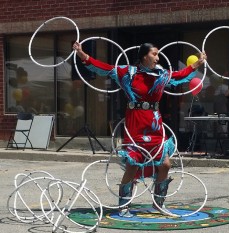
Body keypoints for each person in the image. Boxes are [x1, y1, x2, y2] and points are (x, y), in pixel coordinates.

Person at [73, 41, 207, 217]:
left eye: (158, 54)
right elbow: (103, 68)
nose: (157, 57)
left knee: (165, 163)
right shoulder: (128, 73)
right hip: (135, 122)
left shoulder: (161, 74)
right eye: (154, 54)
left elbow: (180, 75)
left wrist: (198, 63)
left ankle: (158, 204)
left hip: (154, 122)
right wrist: (82, 54)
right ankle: (124, 205)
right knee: (133, 164)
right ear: (145, 56)